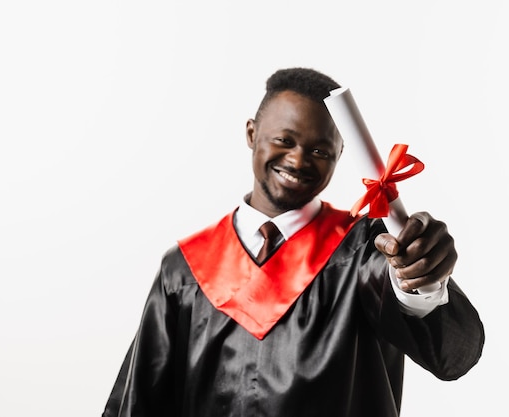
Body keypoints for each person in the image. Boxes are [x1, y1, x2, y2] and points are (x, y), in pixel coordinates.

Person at [102, 67, 484, 417]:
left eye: (319, 150)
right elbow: (143, 400)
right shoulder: (184, 269)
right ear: (252, 133)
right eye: (284, 140)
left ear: (339, 154)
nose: (299, 160)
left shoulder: (364, 250)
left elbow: (450, 354)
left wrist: (423, 280)